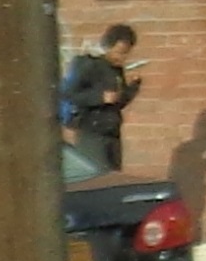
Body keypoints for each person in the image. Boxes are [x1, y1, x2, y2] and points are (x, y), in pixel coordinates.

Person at [61, 24, 144, 173]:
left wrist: (133, 87)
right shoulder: (88, 64)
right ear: (109, 47)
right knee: (97, 178)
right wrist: (99, 97)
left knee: (113, 178)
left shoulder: (116, 70)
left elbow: (118, 103)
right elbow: (68, 94)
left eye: (126, 53)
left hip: (112, 133)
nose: (123, 58)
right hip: (92, 133)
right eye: (120, 52)